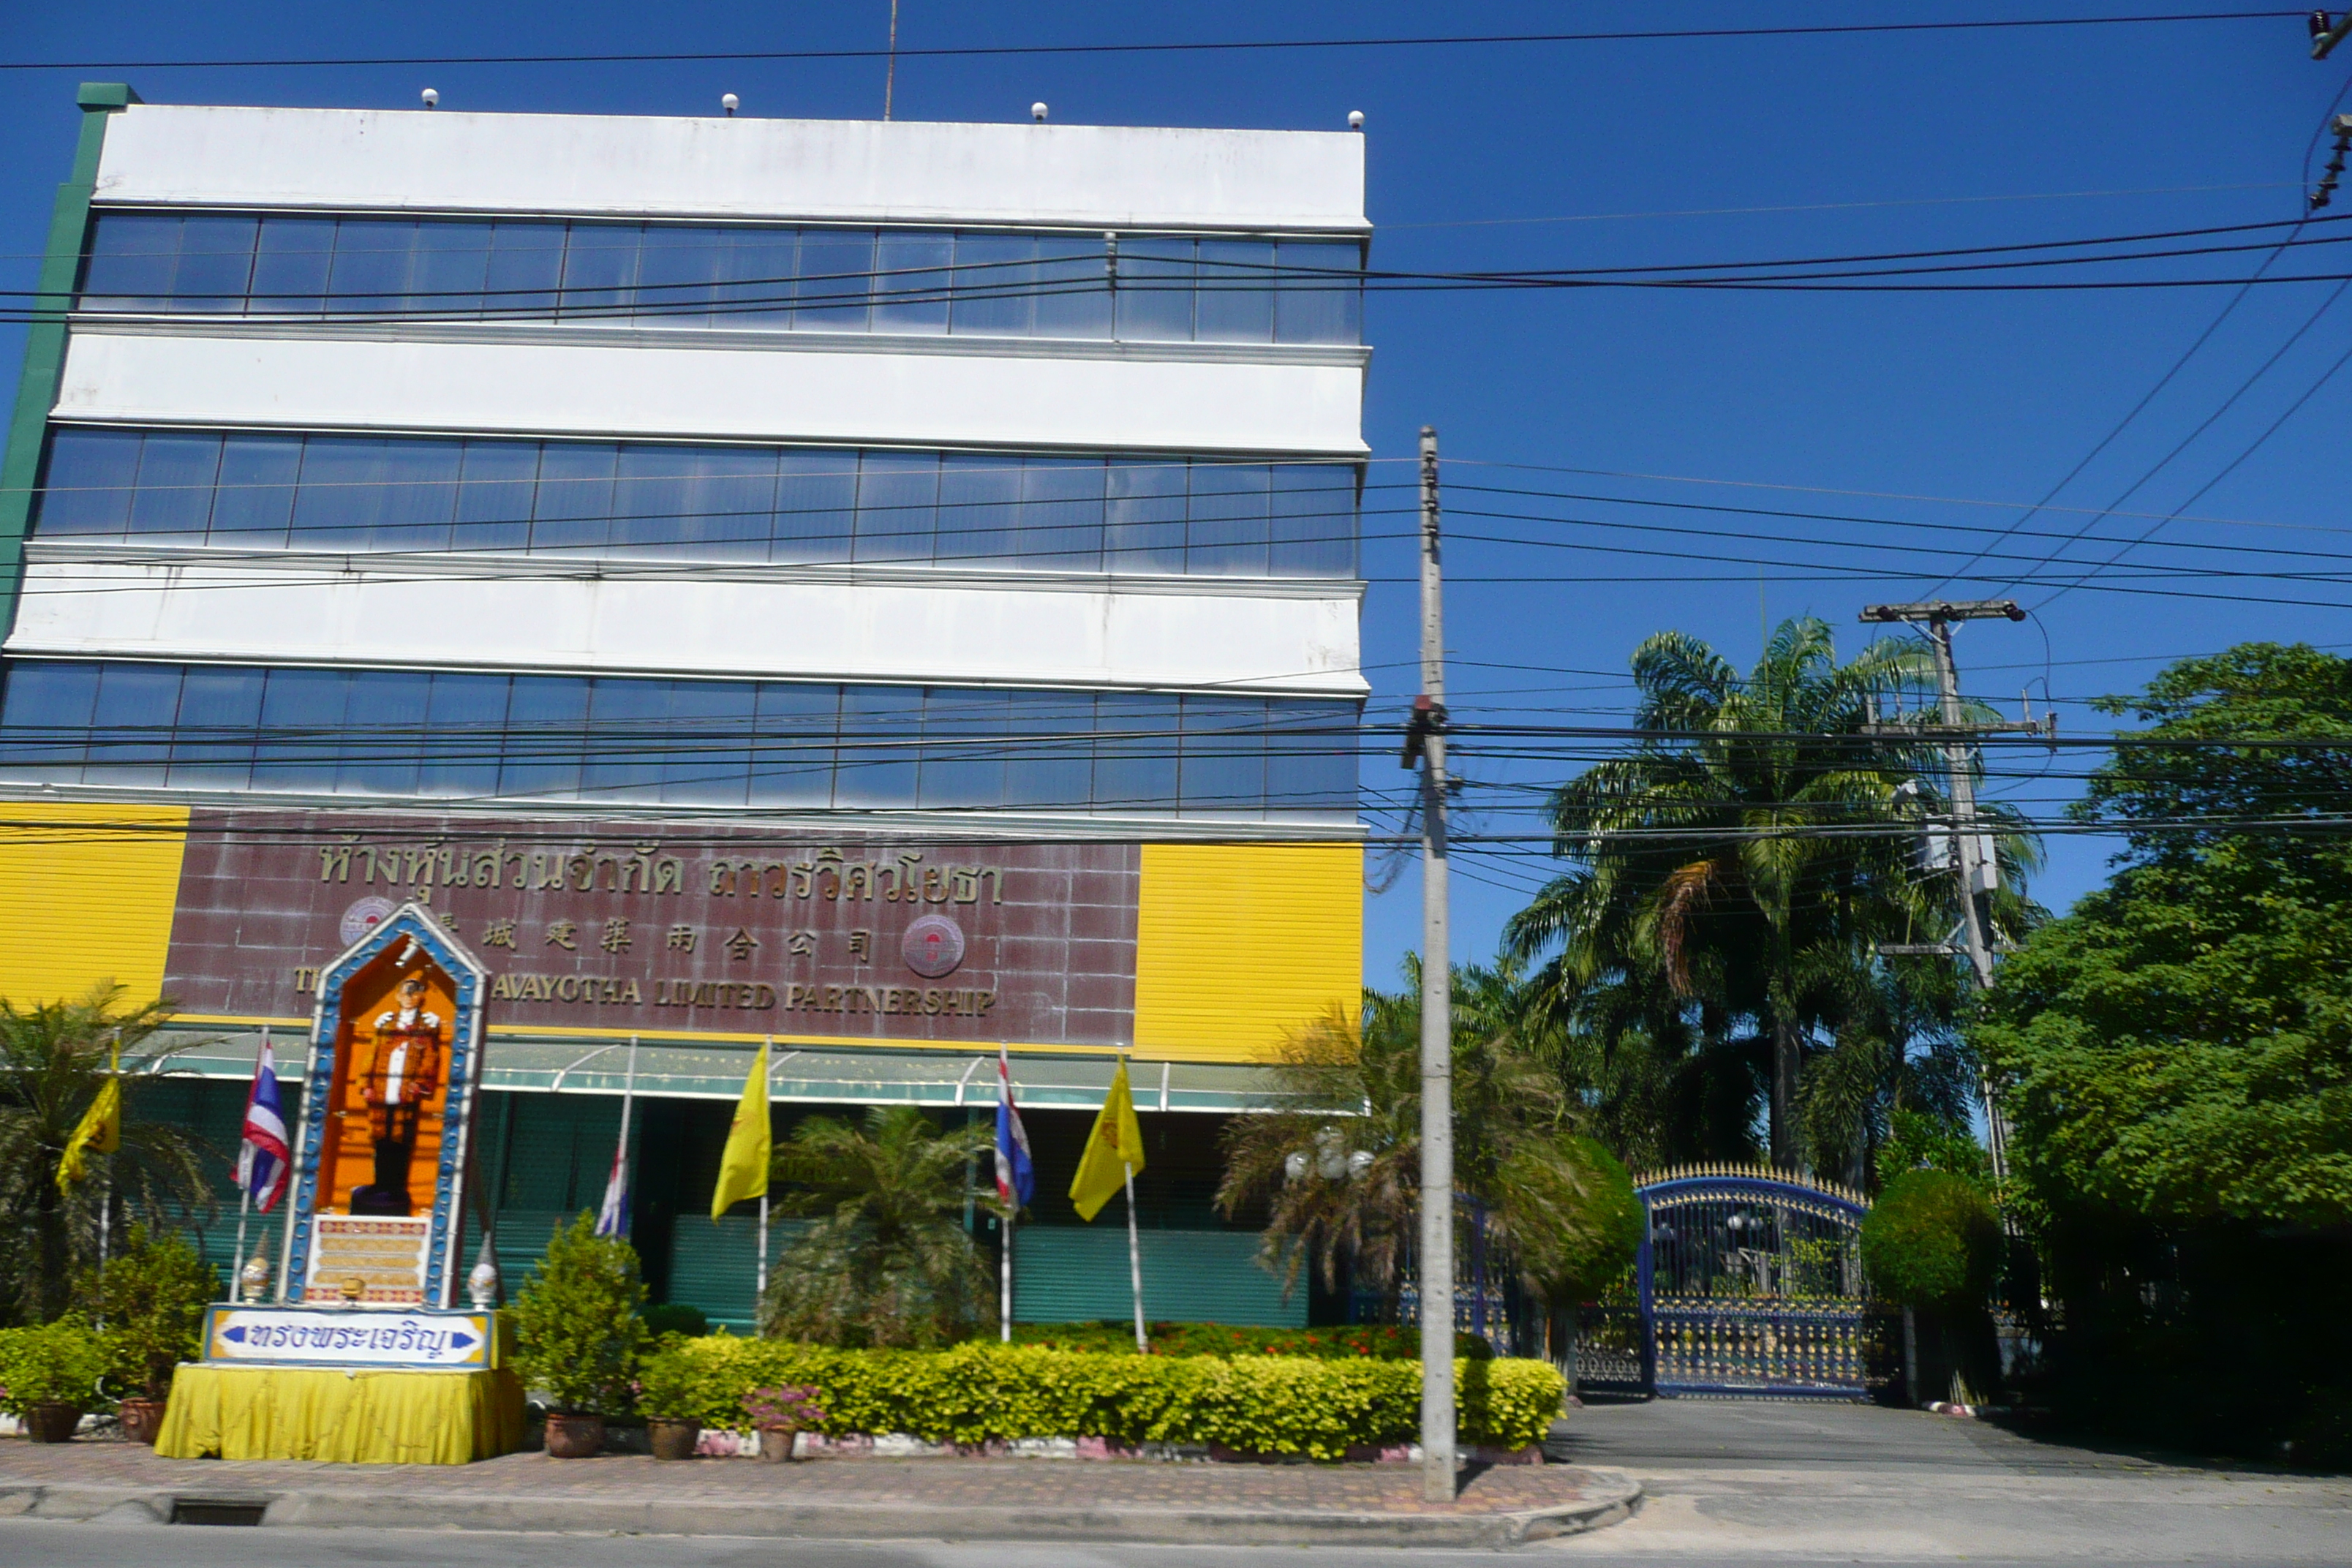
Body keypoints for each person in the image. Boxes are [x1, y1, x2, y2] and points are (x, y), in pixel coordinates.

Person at [350, 973, 444, 1216]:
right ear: (398, 996)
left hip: (405, 1094)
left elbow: (430, 1058)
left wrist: (419, 1084)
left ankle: (396, 1188)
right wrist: (367, 1083)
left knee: (401, 1141)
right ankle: (380, 1184)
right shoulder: (387, 1025)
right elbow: (372, 1054)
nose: (409, 998)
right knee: (381, 1140)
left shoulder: (426, 1027)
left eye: (414, 993)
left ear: (421, 997)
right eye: (405, 993)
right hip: (383, 1091)